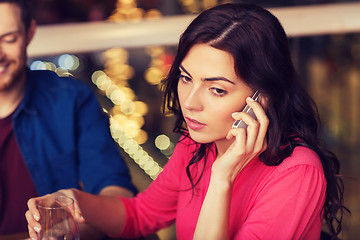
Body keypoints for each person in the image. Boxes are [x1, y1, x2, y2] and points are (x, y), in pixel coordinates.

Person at [26, 3, 349, 240]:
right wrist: (72, 199)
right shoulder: (196, 143)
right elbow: (141, 216)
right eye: (185, 78)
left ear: (264, 97)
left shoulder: (297, 172)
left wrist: (222, 177)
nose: (190, 103)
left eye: (217, 89)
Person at [0, 0, 137, 237]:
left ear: (30, 33)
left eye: (9, 39)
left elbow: (119, 196)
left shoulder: (72, 100)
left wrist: (69, 230)